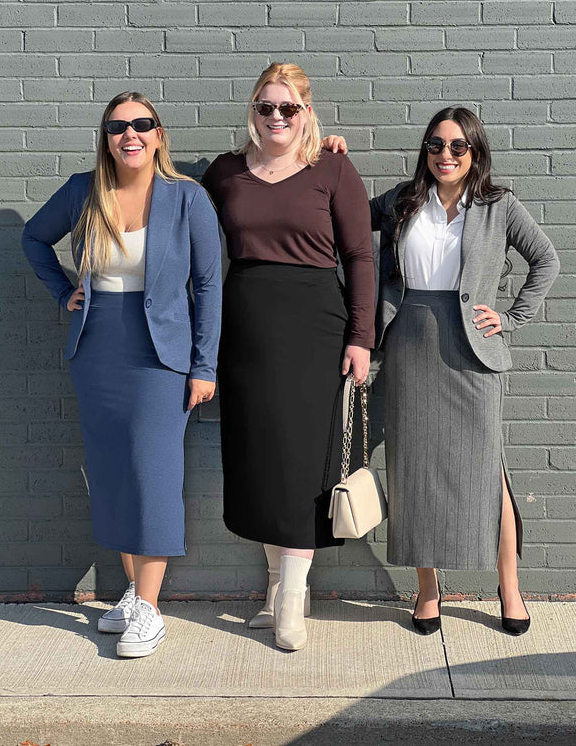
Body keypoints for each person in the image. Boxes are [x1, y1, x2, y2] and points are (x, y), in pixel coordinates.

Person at [325, 107, 559, 635]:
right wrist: (334, 162)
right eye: (436, 145)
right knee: (414, 470)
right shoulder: (403, 202)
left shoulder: (499, 205)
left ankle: (510, 586)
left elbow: (545, 259)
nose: (445, 155)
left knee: (487, 471)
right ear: (425, 151)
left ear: (474, 151)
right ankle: (428, 590)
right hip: (409, 343)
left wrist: (510, 318)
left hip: (471, 350)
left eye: (457, 146)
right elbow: (345, 222)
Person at [22, 92, 221, 657]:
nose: (129, 134)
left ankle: (151, 610)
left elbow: (208, 288)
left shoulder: (188, 199)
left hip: (161, 353)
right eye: (117, 126)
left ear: (159, 134)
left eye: (141, 124)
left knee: (152, 474)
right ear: (106, 136)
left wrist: (203, 365)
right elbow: (34, 238)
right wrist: (65, 292)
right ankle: (135, 596)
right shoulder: (84, 191)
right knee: (112, 475)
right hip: (97, 345)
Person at [201, 63, 375, 651]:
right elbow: (188, 239)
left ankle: (294, 602)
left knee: (302, 464)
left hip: (315, 329)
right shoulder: (223, 173)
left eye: (288, 108)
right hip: (246, 327)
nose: (276, 118)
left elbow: (359, 257)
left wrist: (361, 336)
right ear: (251, 110)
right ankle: (276, 588)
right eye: (265, 108)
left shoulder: (332, 166)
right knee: (261, 460)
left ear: (306, 110)